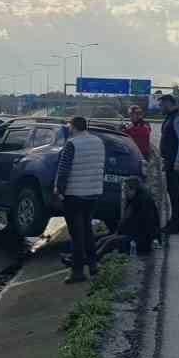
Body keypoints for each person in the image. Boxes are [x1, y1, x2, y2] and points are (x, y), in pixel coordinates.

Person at [54, 116, 106, 284]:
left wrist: (59, 189)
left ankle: (77, 272)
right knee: (87, 230)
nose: (68, 128)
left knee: (76, 235)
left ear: (74, 127)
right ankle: (93, 265)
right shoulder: (99, 142)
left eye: (69, 125)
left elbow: (63, 169)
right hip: (93, 193)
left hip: (74, 194)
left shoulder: (72, 143)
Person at [122, 104, 169, 234]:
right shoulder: (131, 126)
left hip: (144, 162)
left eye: (137, 114)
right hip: (134, 161)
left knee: (148, 192)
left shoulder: (143, 126)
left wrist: (126, 131)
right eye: (133, 114)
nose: (135, 116)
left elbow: (142, 133)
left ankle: (154, 224)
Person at [158, 94, 179, 235]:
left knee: (175, 193)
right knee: (172, 192)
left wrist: (178, 161)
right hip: (170, 160)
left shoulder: (178, 118)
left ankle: (177, 225)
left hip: (176, 162)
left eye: (162, 104)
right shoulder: (170, 117)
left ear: (169, 103)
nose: (160, 107)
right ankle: (174, 221)